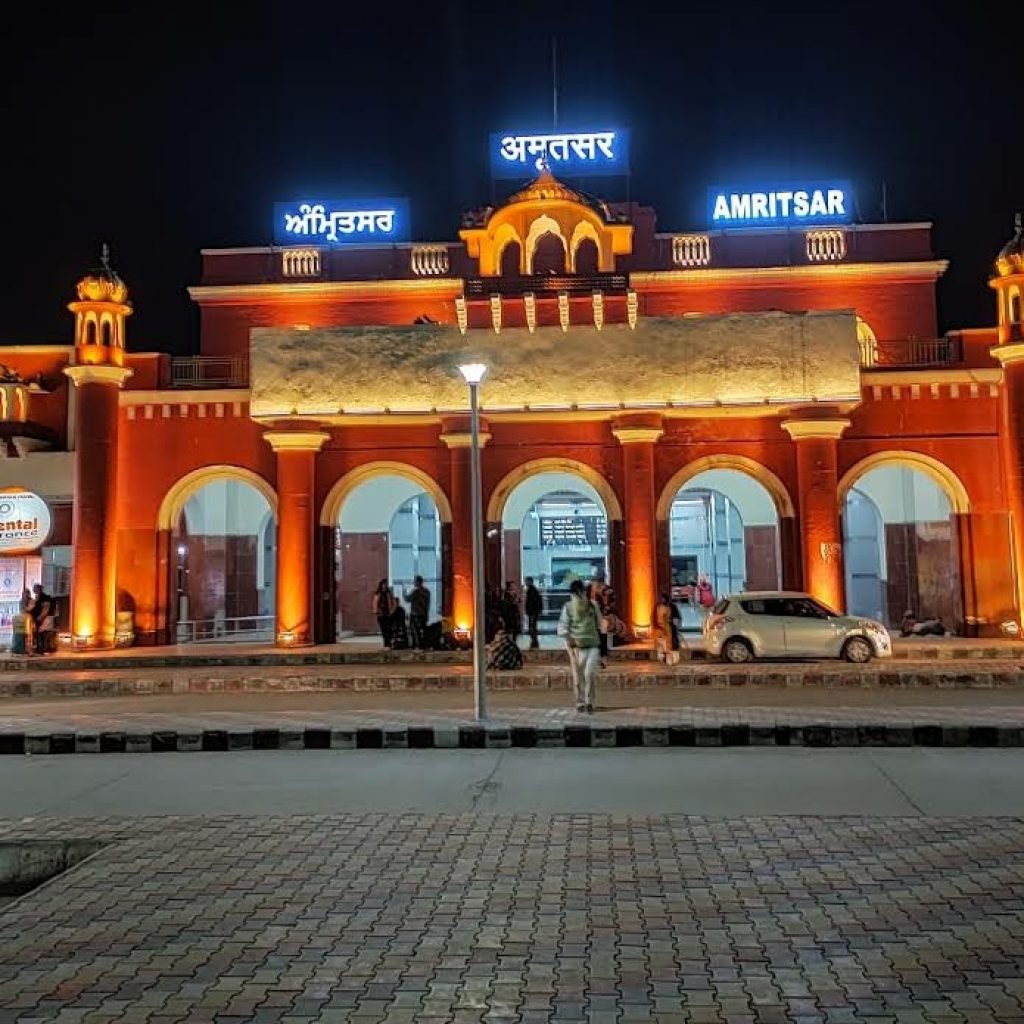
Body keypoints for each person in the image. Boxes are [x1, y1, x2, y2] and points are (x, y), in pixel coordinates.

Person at [557, 579, 601, 713]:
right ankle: (580, 702)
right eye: (575, 593)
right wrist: (570, 640)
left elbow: (599, 623)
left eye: (580, 592)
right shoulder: (568, 607)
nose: (578, 596)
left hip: (592, 644)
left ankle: (590, 702)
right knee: (578, 676)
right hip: (576, 646)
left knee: (589, 674)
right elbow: (563, 627)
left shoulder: (593, 605)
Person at [404, 576, 431, 650]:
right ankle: (424, 645)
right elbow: (427, 604)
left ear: (418, 582)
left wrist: (404, 592)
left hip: (415, 614)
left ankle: (417, 646)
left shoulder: (416, 591)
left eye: (415, 581)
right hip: (424, 614)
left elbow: (407, 599)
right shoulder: (427, 591)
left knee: (415, 631)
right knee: (423, 631)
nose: (414, 583)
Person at [654, 592, 681, 664]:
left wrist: (675, 624)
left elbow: (676, 617)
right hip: (660, 629)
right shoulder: (657, 607)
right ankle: (663, 658)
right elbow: (654, 617)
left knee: (670, 645)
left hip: (669, 628)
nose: (661, 600)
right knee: (661, 645)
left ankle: (671, 660)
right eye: (661, 598)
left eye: (663, 598)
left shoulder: (672, 606)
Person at [30, 584, 53, 656]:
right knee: (37, 634)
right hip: (36, 618)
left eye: (35, 589)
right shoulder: (37, 597)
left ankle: (42, 648)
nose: (34, 590)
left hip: (41, 619)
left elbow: (45, 609)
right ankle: (38, 648)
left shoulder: (44, 597)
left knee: (41, 633)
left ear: (39, 589)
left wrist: (41, 617)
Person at [372, 579, 394, 648]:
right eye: (383, 584)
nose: (384, 585)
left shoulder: (389, 593)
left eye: (386, 584)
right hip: (381, 614)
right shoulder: (378, 593)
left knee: (388, 629)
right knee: (383, 629)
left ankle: (388, 643)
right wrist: (375, 611)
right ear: (381, 585)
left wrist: (392, 611)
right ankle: (386, 643)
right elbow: (375, 603)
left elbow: (393, 602)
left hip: (387, 614)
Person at [11, 590, 34, 656]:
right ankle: (21, 649)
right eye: (23, 594)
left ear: (28, 594)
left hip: (30, 619)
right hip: (24, 619)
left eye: (26, 594)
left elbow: (30, 609)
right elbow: (22, 610)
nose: (24, 596)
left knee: (29, 635)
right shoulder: (21, 601)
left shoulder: (32, 601)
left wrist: (26, 610)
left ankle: (29, 650)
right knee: (23, 635)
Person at [523, 576, 543, 650]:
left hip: (532, 612)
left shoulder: (531, 590)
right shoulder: (533, 590)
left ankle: (534, 641)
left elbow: (531, 602)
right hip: (533, 611)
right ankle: (534, 641)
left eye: (526, 581)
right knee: (532, 626)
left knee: (532, 626)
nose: (525, 582)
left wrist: (529, 610)